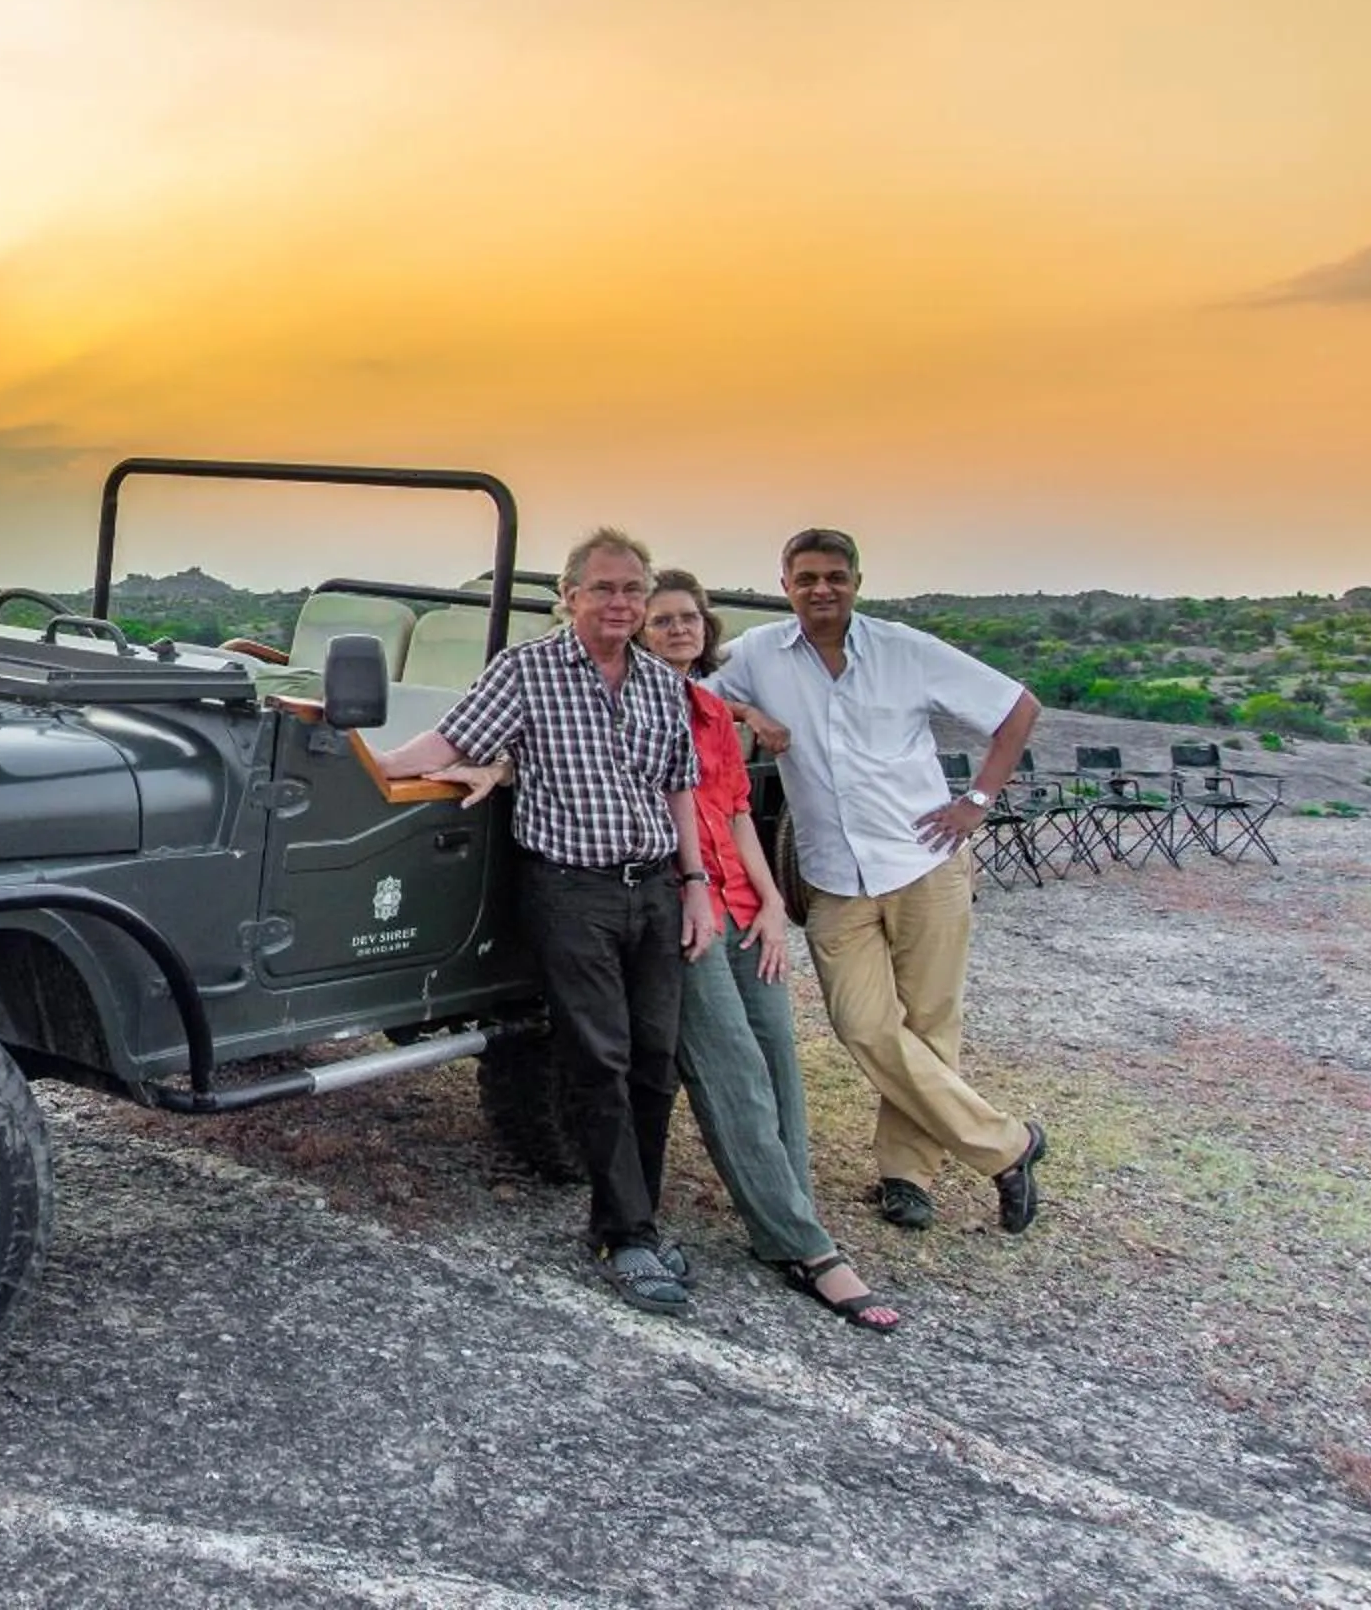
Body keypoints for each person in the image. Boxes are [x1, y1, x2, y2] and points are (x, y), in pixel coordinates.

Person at [371, 528, 720, 1314]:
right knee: (598, 1057)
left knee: (655, 1061)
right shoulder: (528, 671)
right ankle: (623, 1236)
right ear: (568, 598)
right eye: (603, 588)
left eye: (633, 589)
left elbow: (679, 789)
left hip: (654, 886)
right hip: (572, 890)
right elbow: (453, 737)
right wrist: (378, 763)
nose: (620, 603)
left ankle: (643, 1220)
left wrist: (695, 884)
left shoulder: (662, 684)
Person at [712, 528, 1049, 1234]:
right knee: (862, 1023)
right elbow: (690, 696)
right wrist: (748, 711)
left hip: (924, 861)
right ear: (785, 584)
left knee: (928, 1025)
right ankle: (1008, 1146)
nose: (821, 589)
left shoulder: (907, 651)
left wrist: (977, 803)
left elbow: (1017, 709)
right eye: (806, 578)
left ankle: (907, 1177)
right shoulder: (757, 656)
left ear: (857, 582)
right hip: (833, 875)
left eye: (835, 576)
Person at [640, 569, 898, 1331]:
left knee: (779, 1054)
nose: (679, 630)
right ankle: (807, 1248)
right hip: (681, 899)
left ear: (706, 628)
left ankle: (793, 1214)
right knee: (730, 1068)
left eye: (689, 618)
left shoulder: (716, 710)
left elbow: (741, 812)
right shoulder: (628, 703)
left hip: (741, 896)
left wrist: (774, 899)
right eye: (662, 621)